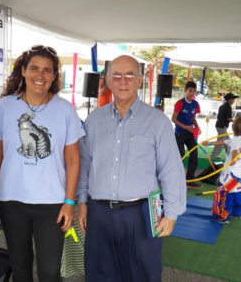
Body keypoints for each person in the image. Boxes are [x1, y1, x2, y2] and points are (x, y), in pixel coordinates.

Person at [77, 55, 186, 282]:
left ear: (139, 81)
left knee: (142, 275)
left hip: (142, 214)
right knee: (100, 274)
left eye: (130, 75)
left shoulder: (157, 121)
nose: (123, 81)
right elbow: (85, 164)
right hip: (99, 213)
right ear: (107, 80)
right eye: (116, 75)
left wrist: (172, 214)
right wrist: (82, 202)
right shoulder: (94, 121)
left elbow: (171, 170)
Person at [0, 45, 85, 282]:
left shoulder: (65, 110)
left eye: (47, 70)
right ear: (23, 70)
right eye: (34, 68)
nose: (40, 76)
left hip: (52, 204)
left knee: (49, 271)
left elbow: (73, 160)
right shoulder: (6, 106)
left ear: (53, 76)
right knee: (20, 267)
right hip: (11, 202)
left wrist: (70, 202)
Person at [203, 117, 241, 222]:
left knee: (226, 194)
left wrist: (233, 160)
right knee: (238, 194)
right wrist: (209, 143)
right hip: (239, 176)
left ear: (234, 129)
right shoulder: (234, 140)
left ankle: (222, 216)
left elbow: (233, 154)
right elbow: (223, 141)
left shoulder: (236, 141)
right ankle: (237, 213)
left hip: (231, 175)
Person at [172, 81, 202, 188]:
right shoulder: (180, 103)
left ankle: (190, 180)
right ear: (185, 91)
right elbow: (173, 119)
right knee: (179, 156)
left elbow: (193, 118)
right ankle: (175, 180)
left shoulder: (195, 104)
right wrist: (187, 128)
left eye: (194, 91)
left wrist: (197, 127)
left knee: (194, 154)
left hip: (190, 134)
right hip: (180, 133)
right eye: (190, 90)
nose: (192, 93)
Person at [211, 93, 239, 159]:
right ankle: (213, 156)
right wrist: (237, 122)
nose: (233, 100)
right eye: (232, 99)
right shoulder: (228, 107)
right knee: (220, 143)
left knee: (228, 141)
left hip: (220, 126)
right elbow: (228, 118)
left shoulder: (222, 105)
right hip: (222, 127)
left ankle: (229, 155)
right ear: (229, 100)